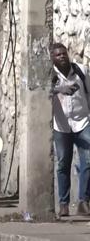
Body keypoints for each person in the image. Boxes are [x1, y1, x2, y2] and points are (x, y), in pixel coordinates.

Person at [50, 43, 90, 216]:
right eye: (58, 55)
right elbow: (40, 92)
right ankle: (64, 204)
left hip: (82, 122)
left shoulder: (81, 70)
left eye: (64, 53)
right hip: (61, 126)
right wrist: (60, 89)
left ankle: (83, 201)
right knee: (63, 164)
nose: (62, 57)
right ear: (52, 57)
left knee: (88, 161)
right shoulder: (50, 75)